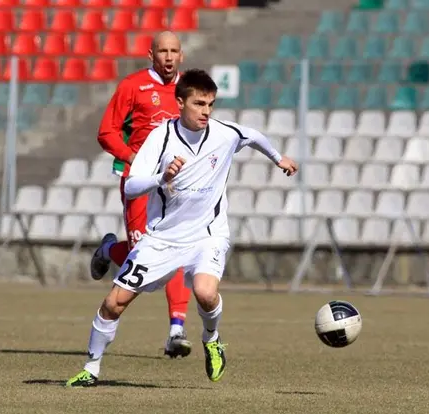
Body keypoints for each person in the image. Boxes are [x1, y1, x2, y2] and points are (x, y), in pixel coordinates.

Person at [66, 69, 298, 387]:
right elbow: (132, 186)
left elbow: (254, 136)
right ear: (180, 102)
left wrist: (277, 158)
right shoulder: (160, 137)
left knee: (204, 292)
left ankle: (212, 339)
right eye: (199, 103)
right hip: (162, 236)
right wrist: (162, 178)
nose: (206, 111)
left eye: (211, 104)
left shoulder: (224, 133)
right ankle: (90, 370)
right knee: (113, 303)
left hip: (208, 233)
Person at [92, 31, 193, 358]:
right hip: (139, 182)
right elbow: (106, 132)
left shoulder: (188, 91)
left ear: (182, 55)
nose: (167, 56)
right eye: (162, 51)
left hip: (175, 185)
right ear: (150, 54)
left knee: (175, 251)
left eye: (173, 51)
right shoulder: (133, 86)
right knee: (142, 257)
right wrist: (135, 158)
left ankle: (177, 329)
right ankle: (110, 250)